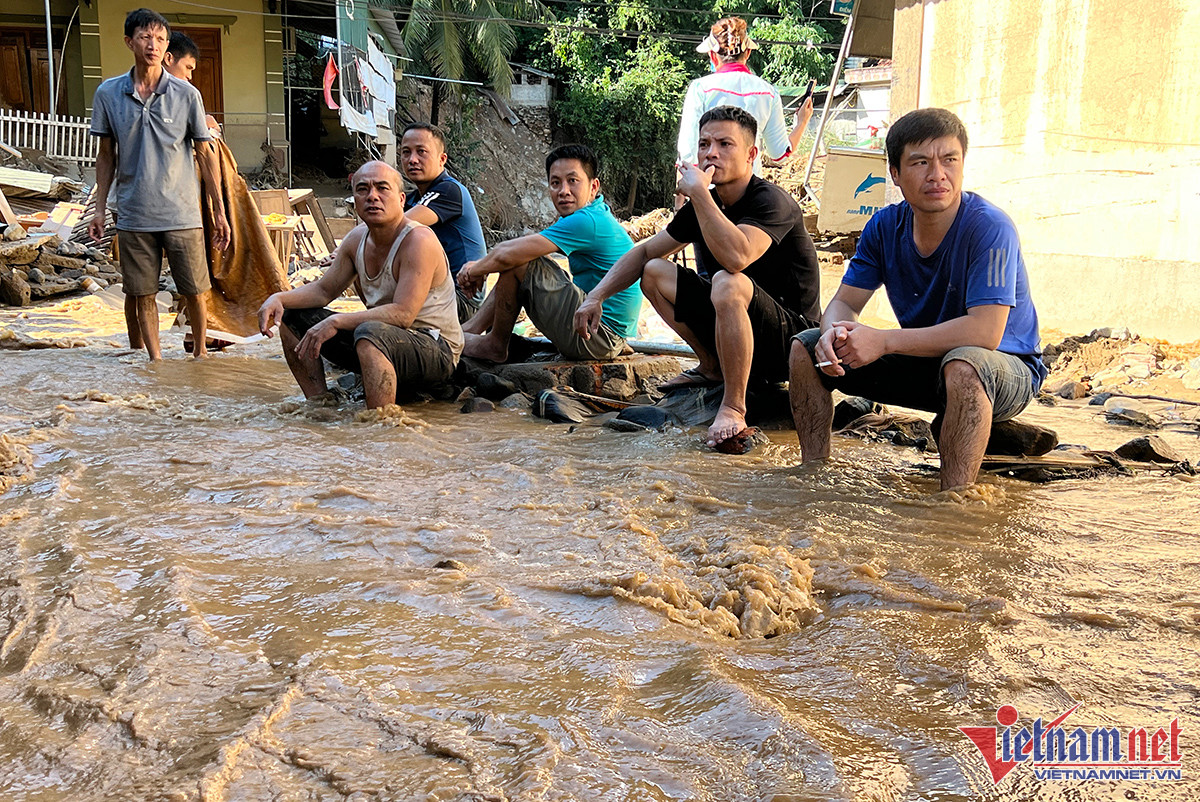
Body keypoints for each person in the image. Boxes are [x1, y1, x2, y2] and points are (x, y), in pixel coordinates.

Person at [787, 108, 1047, 491]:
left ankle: (952, 502)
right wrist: (832, 335)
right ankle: (812, 475)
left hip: (1005, 369)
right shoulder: (884, 226)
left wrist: (885, 340)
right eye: (920, 162)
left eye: (949, 160)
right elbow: (844, 303)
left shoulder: (989, 227)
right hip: (929, 361)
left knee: (965, 363)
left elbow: (986, 332)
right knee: (805, 348)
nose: (937, 174)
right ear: (895, 173)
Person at [576, 106, 821, 448]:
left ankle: (734, 406)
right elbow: (645, 252)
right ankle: (711, 366)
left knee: (727, 280)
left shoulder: (771, 201)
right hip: (733, 328)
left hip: (792, 343)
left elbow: (737, 256)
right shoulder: (704, 204)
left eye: (724, 144)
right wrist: (595, 297)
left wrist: (700, 195)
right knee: (654, 271)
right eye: (704, 144)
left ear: (751, 154)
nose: (711, 153)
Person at [257, 161, 463, 409]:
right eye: (363, 189)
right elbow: (323, 291)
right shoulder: (356, 239)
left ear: (401, 199)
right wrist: (278, 298)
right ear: (354, 199)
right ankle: (320, 404)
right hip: (381, 342)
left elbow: (404, 314)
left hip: (435, 349)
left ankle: (378, 423)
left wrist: (335, 321)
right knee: (291, 316)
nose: (372, 197)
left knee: (370, 332)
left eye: (382, 188)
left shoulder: (418, 240)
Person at [88, 8, 230, 362]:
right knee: (142, 293)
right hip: (134, 213)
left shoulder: (186, 94)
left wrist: (219, 211)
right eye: (145, 37)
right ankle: (156, 362)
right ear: (129, 42)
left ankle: (199, 356)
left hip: (182, 212)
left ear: (167, 47)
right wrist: (101, 208)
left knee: (195, 290)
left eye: (160, 39)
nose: (153, 45)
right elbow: (106, 155)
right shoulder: (108, 94)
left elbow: (205, 154)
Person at [456, 144, 642, 363]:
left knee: (519, 260)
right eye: (555, 183)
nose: (563, 191)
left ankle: (495, 345)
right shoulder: (594, 213)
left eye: (573, 181)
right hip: (602, 330)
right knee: (523, 256)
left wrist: (474, 269)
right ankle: (472, 329)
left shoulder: (586, 221)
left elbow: (508, 253)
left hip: (597, 335)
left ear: (593, 187)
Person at [677, 16, 813, 177]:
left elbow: (687, 155)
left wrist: (684, 198)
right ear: (747, 53)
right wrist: (802, 122)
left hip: (709, 192)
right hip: (752, 194)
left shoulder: (701, 89)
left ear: (713, 56)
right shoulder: (768, 93)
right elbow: (780, 155)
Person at [399, 122, 488, 323]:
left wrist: (344, 248)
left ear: (442, 159)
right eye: (406, 152)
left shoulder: (449, 190)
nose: (412, 159)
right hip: (439, 293)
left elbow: (396, 227)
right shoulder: (413, 199)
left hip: (462, 300)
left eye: (421, 152)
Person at [163, 31, 222, 136]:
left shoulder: (185, 95)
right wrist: (199, 122)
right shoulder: (139, 89)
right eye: (187, 68)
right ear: (168, 59)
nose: (189, 76)